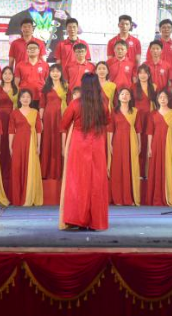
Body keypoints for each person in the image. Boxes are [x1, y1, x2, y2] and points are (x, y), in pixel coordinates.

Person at [59, 73, 110, 230]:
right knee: (96, 181)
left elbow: (63, 124)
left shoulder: (75, 104)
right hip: (98, 144)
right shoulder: (103, 104)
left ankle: (77, 219)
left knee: (77, 181)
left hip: (79, 145)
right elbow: (107, 121)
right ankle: (95, 221)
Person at [6, 0, 70, 62]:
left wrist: (66, 18)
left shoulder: (60, 14)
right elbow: (14, 44)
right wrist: (38, 53)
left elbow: (79, 31)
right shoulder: (18, 17)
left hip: (56, 63)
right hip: (30, 62)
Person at [107, 87, 142, 206]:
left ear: (130, 97)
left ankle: (129, 198)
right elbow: (110, 129)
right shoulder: (114, 111)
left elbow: (138, 129)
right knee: (117, 168)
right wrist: (110, 144)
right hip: (117, 141)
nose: (125, 96)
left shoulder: (135, 111)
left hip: (131, 141)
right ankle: (117, 198)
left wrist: (139, 143)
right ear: (118, 97)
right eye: (122, 94)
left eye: (127, 94)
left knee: (129, 168)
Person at [146, 90, 172, 206]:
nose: (163, 99)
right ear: (157, 99)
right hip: (156, 143)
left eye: (165, 97)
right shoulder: (153, 114)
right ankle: (157, 196)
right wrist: (149, 148)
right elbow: (150, 132)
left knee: (168, 167)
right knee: (156, 168)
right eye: (160, 97)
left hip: (169, 144)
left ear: (168, 99)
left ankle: (169, 195)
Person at [9, 89, 44, 206]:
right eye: (23, 97)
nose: (25, 99)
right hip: (18, 143)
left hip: (31, 143)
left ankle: (29, 196)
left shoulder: (35, 112)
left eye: (28, 97)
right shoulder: (14, 113)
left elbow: (38, 131)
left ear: (31, 99)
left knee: (30, 168)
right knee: (17, 169)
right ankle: (17, 198)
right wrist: (10, 146)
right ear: (19, 99)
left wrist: (38, 145)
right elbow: (11, 131)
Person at [39, 64, 68, 180]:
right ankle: (46, 171)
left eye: (57, 71)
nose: (55, 73)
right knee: (47, 140)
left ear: (61, 73)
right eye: (53, 71)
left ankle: (58, 171)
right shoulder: (46, 87)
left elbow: (70, 103)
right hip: (48, 117)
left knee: (59, 141)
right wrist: (40, 120)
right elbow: (42, 105)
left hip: (61, 117)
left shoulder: (66, 87)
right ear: (49, 73)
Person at [0, 67, 18, 177]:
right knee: (0, 143)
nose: (7, 76)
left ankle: (10, 172)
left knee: (11, 143)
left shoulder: (17, 90)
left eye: (10, 74)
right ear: (2, 75)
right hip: (0, 118)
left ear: (13, 76)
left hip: (13, 118)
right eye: (5, 73)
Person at [134, 65, 156, 178]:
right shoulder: (133, 87)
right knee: (138, 144)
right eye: (140, 73)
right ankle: (137, 172)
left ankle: (147, 172)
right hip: (137, 119)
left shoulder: (154, 87)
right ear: (137, 75)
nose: (143, 75)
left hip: (150, 119)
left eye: (145, 72)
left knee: (148, 144)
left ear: (149, 74)